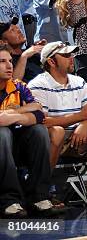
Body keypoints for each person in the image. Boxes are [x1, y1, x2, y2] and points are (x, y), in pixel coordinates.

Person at [28, 42, 87, 208]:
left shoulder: (79, 82)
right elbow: (42, 121)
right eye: (66, 56)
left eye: (72, 54)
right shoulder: (38, 84)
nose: (71, 58)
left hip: (76, 139)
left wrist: (84, 125)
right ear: (51, 62)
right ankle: (43, 191)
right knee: (57, 131)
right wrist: (78, 117)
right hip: (47, 140)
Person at [0, 45, 63, 217]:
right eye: (2, 61)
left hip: (16, 146)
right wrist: (24, 111)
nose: (9, 66)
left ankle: (38, 197)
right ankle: (9, 200)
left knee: (39, 130)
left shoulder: (18, 86)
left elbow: (39, 113)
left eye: (10, 61)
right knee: (2, 133)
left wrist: (14, 115)